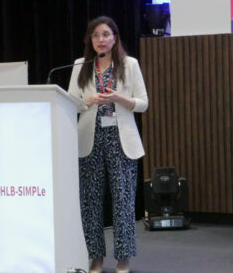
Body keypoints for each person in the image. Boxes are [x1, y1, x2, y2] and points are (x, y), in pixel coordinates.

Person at [68, 16, 148, 273]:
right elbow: (70, 102)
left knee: (123, 201)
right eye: (95, 36)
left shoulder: (129, 64)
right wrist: (88, 100)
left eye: (105, 34)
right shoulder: (82, 64)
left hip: (121, 141)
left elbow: (143, 103)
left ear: (115, 38)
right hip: (89, 140)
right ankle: (96, 258)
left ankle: (123, 259)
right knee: (90, 203)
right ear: (89, 40)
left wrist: (119, 98)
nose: (100, 40)